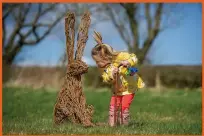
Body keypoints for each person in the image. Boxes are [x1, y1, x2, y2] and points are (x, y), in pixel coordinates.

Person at [91, 31, 145, 126]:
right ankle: (113, 124)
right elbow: (106, 78)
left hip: (129, 88)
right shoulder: (105, 68)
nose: (97, 64)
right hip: (117, 90)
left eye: (98, 61)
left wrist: (127, 62)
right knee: (113, 107)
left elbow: (134, 58)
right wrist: (111, 74)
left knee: (124, 106)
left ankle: (124, 125)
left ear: (106, 56)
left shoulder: (121, 56)